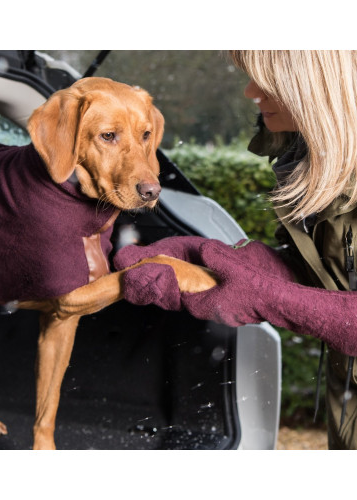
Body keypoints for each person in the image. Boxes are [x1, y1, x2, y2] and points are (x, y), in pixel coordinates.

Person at [114, 50, 357, 450]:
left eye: (267, 80)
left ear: (318, 81)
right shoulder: (313, 156)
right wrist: (214, 259)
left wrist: (266, 298)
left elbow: (291, 299)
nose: (250, 92)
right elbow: (327, 277)